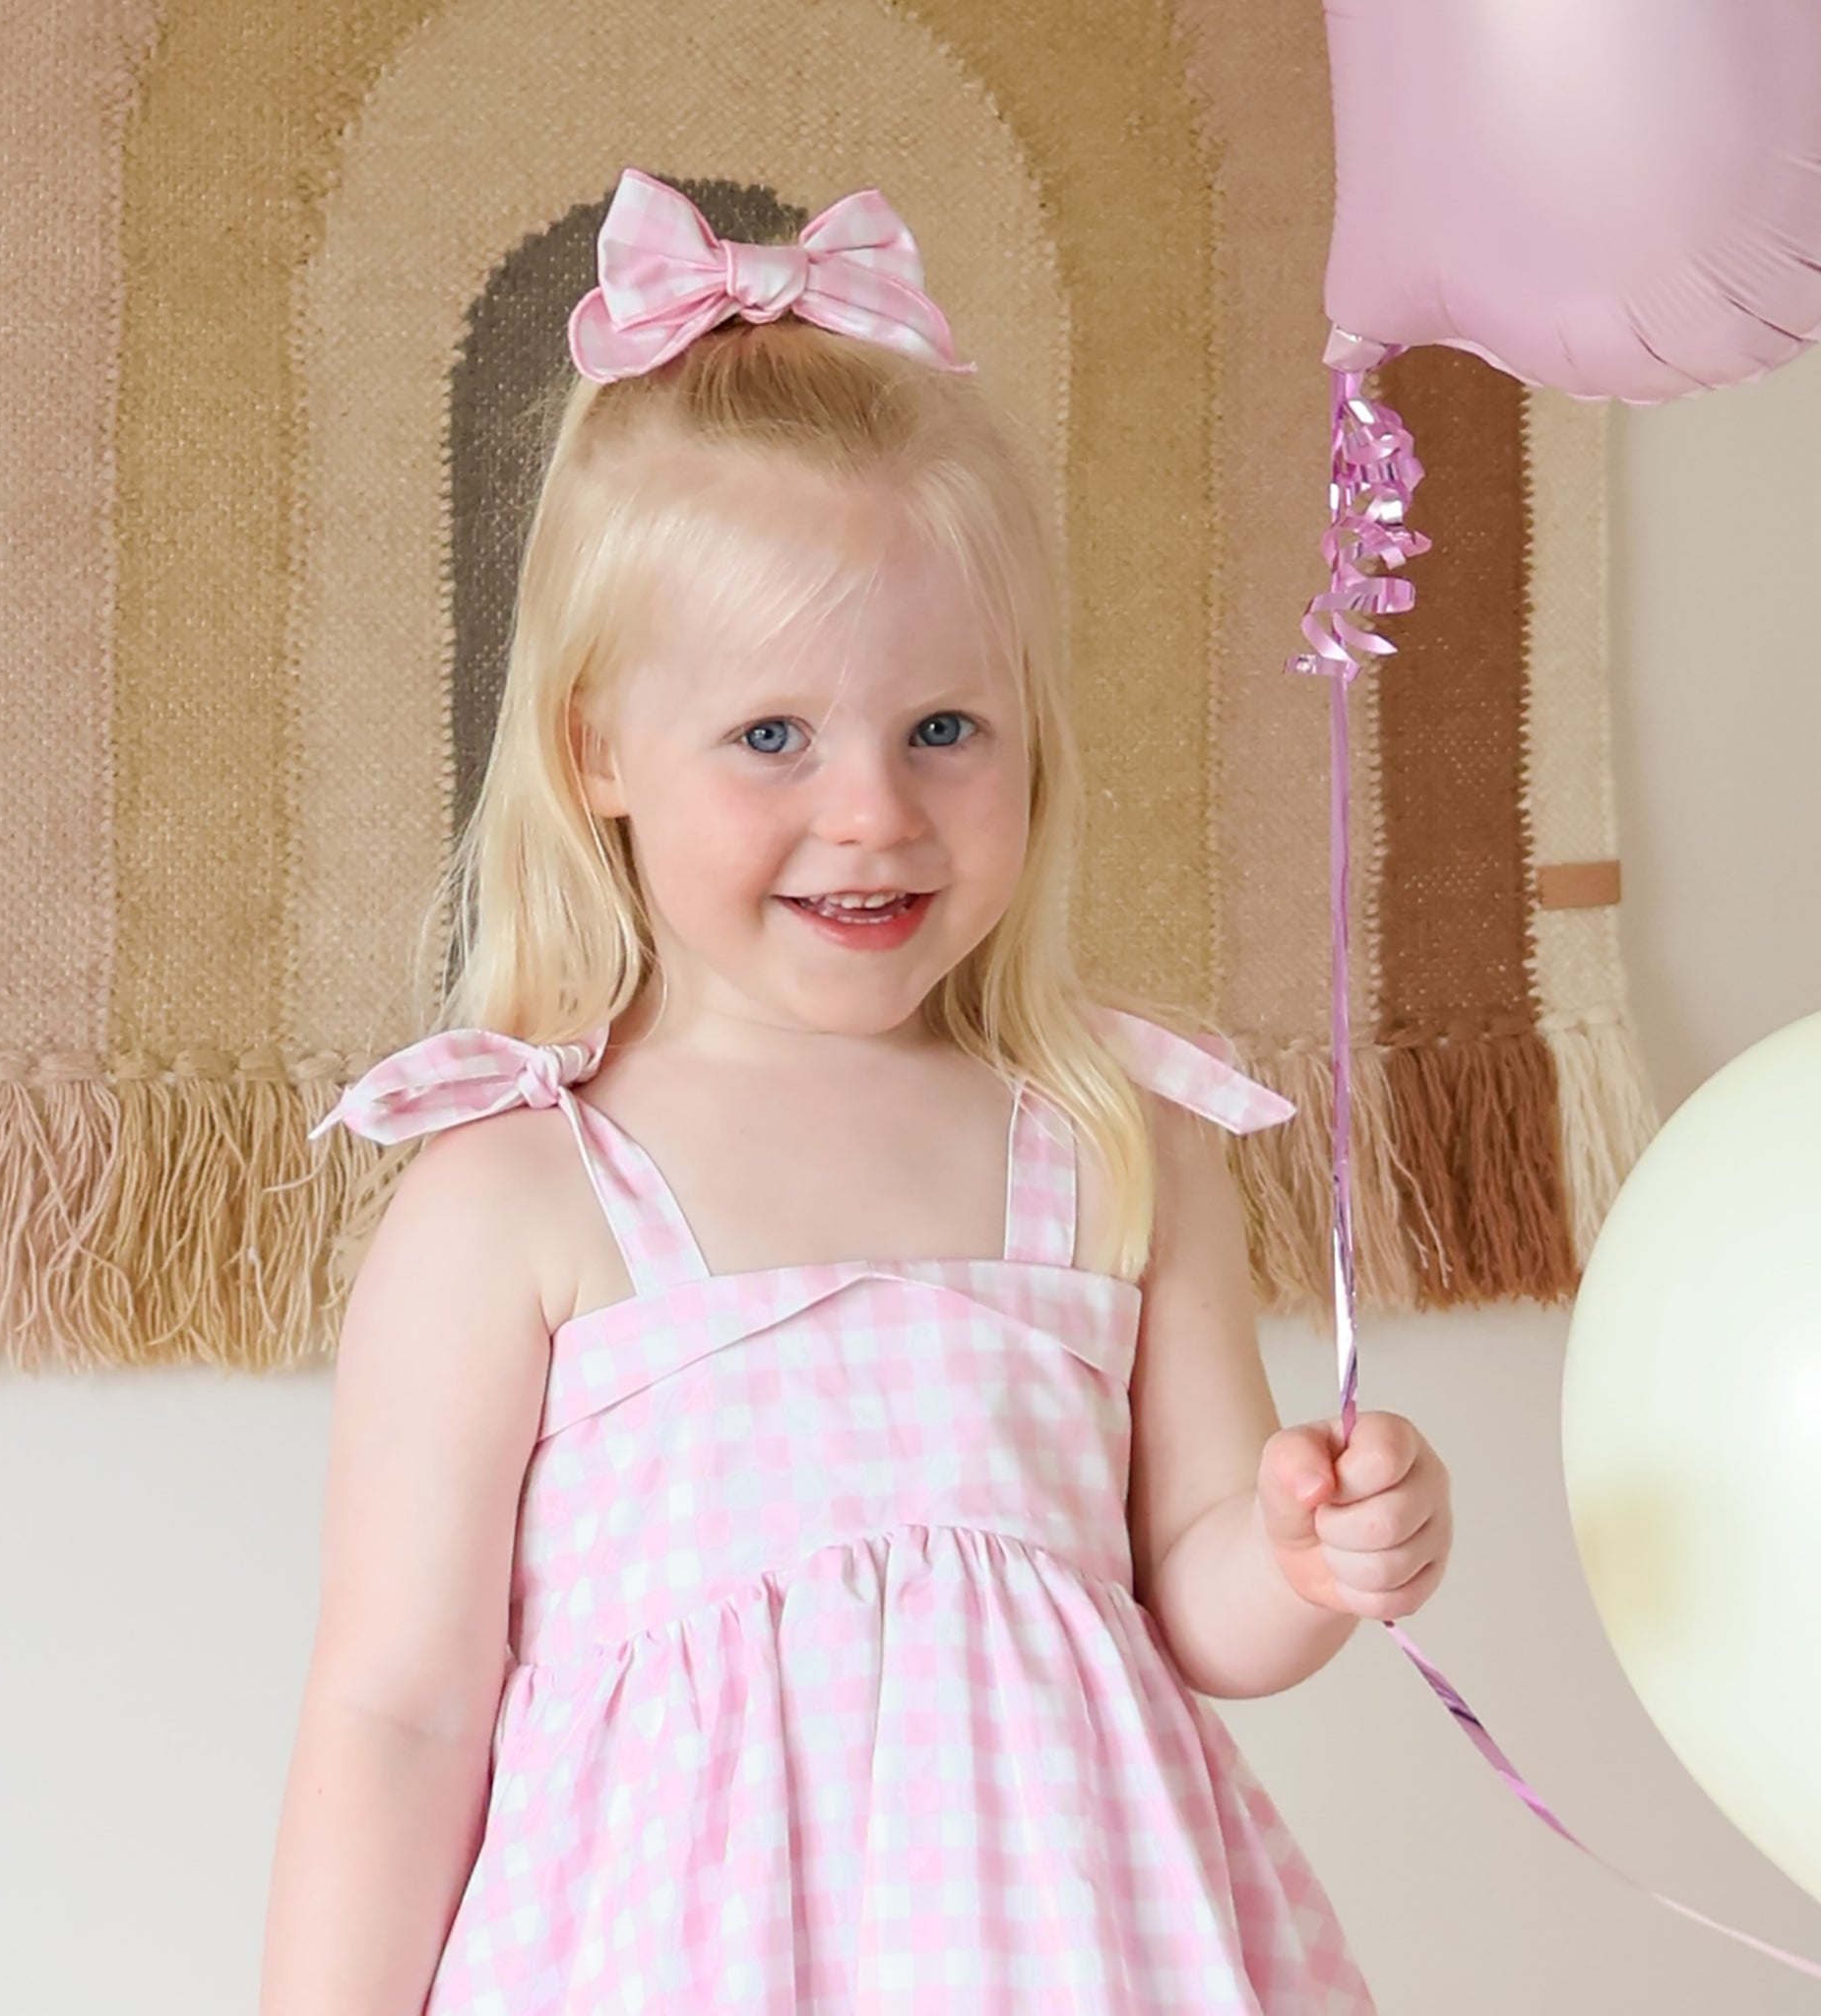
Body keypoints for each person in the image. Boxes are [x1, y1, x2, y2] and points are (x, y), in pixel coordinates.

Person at [259, 167, 1452, 2016]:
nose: (874, 811)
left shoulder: (1108, 1142)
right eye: (770, 737)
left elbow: (1199, 1595)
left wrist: (1310, 1552)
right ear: (599, 752)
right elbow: (401, 1710)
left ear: (1030, 737)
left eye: (944, 731)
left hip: (1077, 1952)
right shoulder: (520, 1190)